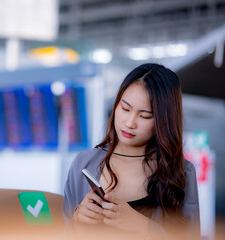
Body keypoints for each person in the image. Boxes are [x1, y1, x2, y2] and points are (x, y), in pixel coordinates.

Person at [63, 63, 200, 239]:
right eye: (125, 108)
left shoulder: (182, 172)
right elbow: (62, 231)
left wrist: (143, 227)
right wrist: (77, 220)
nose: (129, 122)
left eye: (144, 116)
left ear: (164, 120)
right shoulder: (83, 163)